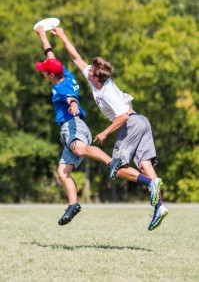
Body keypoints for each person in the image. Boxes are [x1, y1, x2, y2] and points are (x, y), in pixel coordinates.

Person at [50, 27, 168, 231]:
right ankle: (159, 206)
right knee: (144, 162)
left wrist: (105, 132)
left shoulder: (107, 92)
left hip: (131, 123)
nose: (87, 72)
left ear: (97, 77)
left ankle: (150, 184)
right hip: (142, 121)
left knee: (118, 167)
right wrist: (62, 36)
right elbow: (76, 56)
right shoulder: (94, 76)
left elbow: (122, 116)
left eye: (91, 72)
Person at [35, 26, 122, 226]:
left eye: (44, 72)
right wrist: (42, 35)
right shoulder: (64, 73)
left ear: (50, 76)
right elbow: (51, 55)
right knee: (62, 172)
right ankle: (73, 204)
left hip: (73, 124)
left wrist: (74, 106)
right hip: (72, 126)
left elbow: (71, 99)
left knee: (80, 149)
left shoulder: (61, 87)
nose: (43, 74)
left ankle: (111, 162)